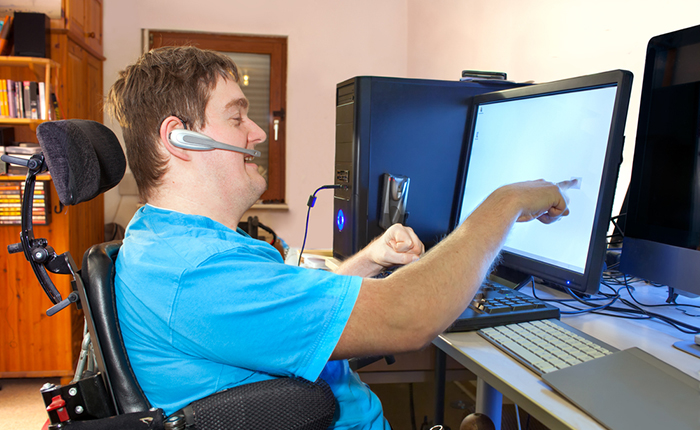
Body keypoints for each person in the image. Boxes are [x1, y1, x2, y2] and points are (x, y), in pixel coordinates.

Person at [106, 46, 574, 430]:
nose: (256, 133)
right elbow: (409, 318)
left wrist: (370, 258)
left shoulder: (165, 241)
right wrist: (507, 201)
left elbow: (286, 316)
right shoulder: (199, 274)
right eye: (236, 118)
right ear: (181, 138)